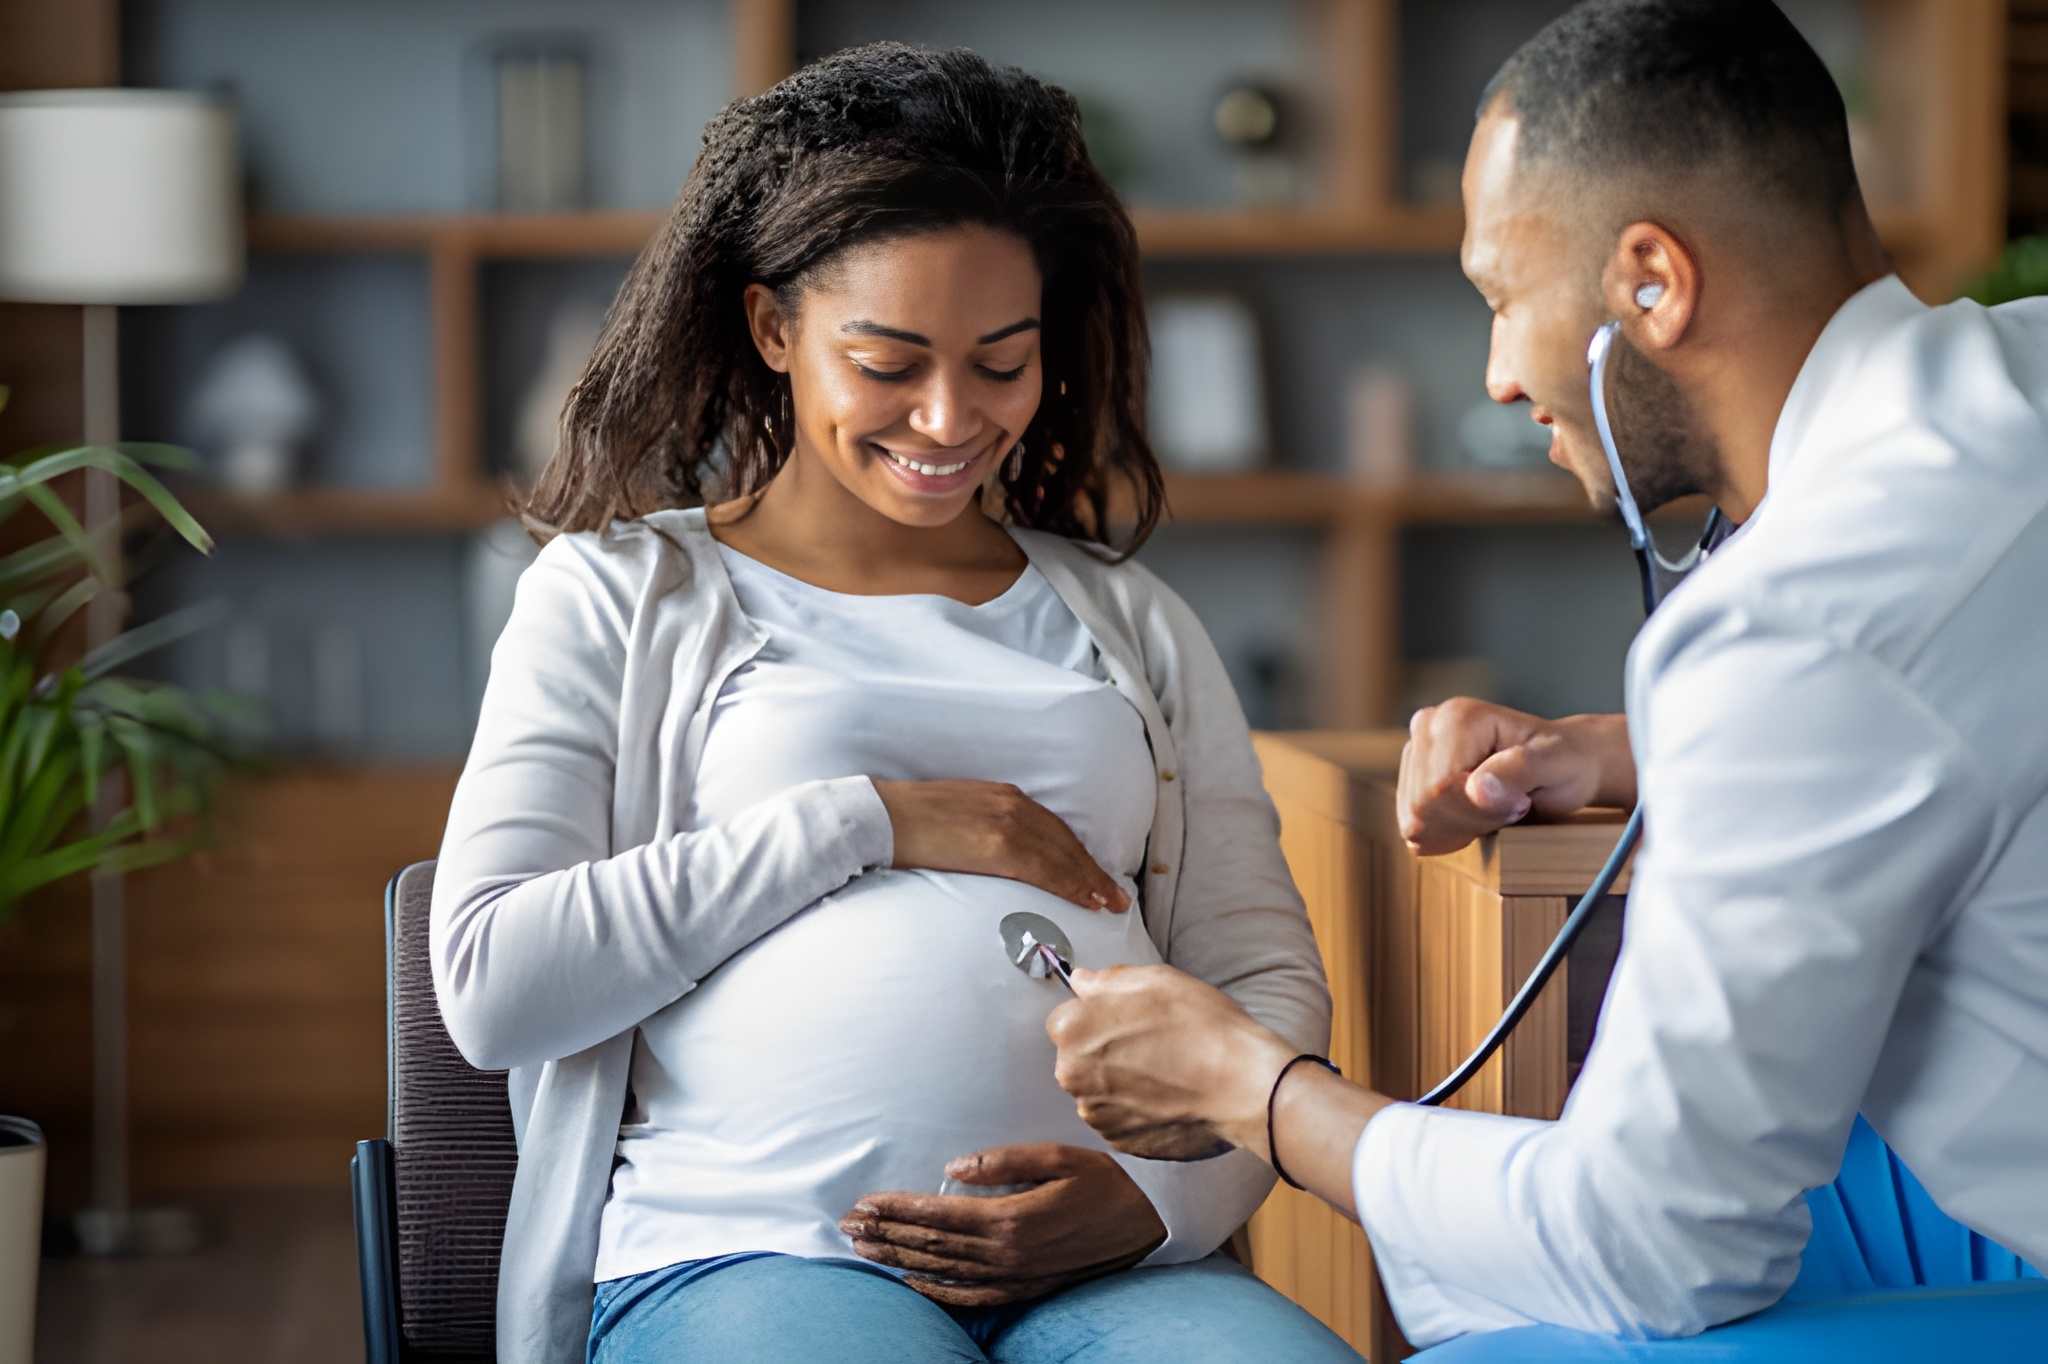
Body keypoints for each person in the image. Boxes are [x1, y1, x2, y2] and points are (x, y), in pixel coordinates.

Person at [1044, 0, 2048, 1349]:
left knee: (1505, 1324)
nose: (1501, 376)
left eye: (1501, 298)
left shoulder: (1799, 627)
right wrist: (1633, 746)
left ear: (1652, 282)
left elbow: (1650, 1247)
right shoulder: (2016, 374)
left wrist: (1252, 1091)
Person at [430, 41, 1356, 1364]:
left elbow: (1257, 972)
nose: (948, 416)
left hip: (1117, 1269)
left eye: (1000, 362)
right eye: (890, 360)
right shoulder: (620, 593)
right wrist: (870, 821)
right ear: (773, 329)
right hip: (745, 1254)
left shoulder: (1131, 617)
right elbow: (494, 980)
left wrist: (1160, 1203)